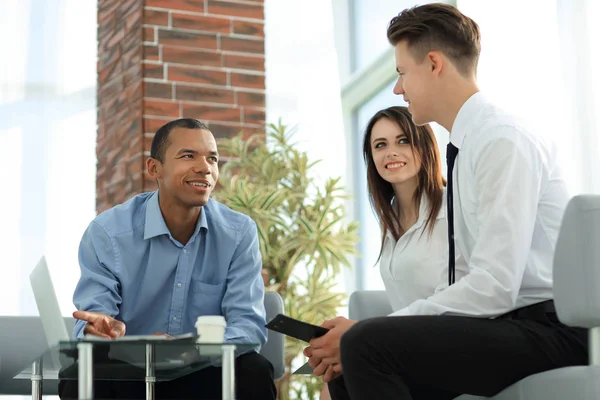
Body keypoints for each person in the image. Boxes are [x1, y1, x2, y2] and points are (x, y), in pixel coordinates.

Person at [307, 4, 589, 400]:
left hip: (551, 331)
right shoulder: (468, 146)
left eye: (402, 73)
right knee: (346, 362)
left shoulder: (500, 139)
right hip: (509, 325)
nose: (398, 88)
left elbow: (494, 286)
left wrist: (371, 329)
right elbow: (464, 278)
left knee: (364, 345)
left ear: (434, 64)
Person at [59, 118, 276, 400]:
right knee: (81, 373)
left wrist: (192, 351)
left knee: (254, 369)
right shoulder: (109, 232)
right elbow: (93, 321)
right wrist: (99, 333)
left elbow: (247, 327)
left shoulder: (238, 233)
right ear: (154, 168)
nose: (205, 167)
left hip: (204, 369)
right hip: (130, 372)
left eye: (213, 158)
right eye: (188, 155)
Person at [314, 105, 468, 400]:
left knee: (351, 366)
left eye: (403, 140)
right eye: (380, 145)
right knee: (336, 378)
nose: (391, 152)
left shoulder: (454, 210)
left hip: (450, 349)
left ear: (424, 146)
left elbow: (453, 298)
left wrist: (364, 333)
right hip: (411, 351)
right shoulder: (390, 225)